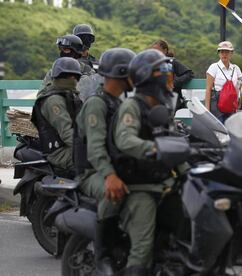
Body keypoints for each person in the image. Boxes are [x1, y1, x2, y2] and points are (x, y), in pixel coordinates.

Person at [108, 49, 176, 275]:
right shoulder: (133, 106)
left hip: (162, 179)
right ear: (148, 76)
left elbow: (172, 139)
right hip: (140, 185)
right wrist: (153, 149)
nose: (168, 76)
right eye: (163, 71)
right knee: (142, 248)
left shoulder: (161, 105)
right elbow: (125, 140)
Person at [75, 48, 136, 276]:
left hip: (114, 167)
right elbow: (95, 147)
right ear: (121, 74)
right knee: (113, 194)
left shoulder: (119, 103)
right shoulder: (97, 104)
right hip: (92, 173)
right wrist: (109, 176)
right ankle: (103, 256)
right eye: (131, 73)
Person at [31, 57, 82, 175]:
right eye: (70, 76)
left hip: (70, 146)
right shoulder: (54, 101)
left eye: (75, 77)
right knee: (95, 162)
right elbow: (67, 133)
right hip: (59, 152)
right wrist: (91, 149)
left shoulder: (69, 95)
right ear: (61, 77)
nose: (74, 80)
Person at [205, 41, 242, 123]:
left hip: (231, 103)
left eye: (227, 52)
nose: (224, 54)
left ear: (231, 53)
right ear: (219, 53)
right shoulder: (213, 67)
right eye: (222, 52)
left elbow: (240, 87)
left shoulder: (236, 68)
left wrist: (238, 103)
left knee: (230, 128)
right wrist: (207, 110)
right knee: (218, 128)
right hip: (217, 102)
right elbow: (208, 89)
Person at [151, 39, 194, 109]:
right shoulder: (152, 64)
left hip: (170, 97)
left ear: (165, 51)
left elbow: (189, 73)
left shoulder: (172, 62)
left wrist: (173, 83)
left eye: (158, 51)